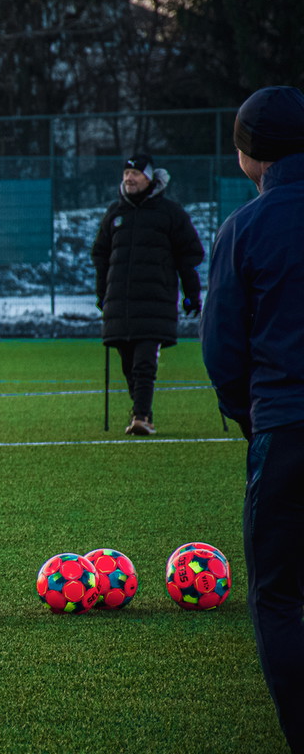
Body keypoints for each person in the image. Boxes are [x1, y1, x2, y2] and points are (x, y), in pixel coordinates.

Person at [201, 85, 304, 753]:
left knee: (277, 596)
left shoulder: (245, 228)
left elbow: (223, 350)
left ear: (249, 154)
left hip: (286, 430)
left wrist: (251, 415)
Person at [91, 153, 204, 435]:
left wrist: (192, 294)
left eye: (136, 173)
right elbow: (100, 255)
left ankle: (141, 416)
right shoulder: (115, 213)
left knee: (144, 361)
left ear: (150, 178)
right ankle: (141, 411)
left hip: (156, 301)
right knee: (128, 363)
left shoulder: (170, 212)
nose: (129, 178)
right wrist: (102, 293)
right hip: (119, 303)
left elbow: (188, 255)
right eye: (126, 174)